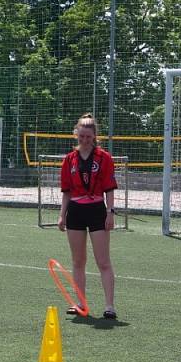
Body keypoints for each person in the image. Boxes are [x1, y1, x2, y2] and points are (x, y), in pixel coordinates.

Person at [57, 114, 118, 319]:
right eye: (81, 136)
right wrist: (62, 216)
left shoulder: (104, 158)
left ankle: (109, 306)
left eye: (88, 137)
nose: (84, 140)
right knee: (78, 261)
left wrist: (110, 213)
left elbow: (109, 189)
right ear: (76, 135)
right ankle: (80, 303)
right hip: (75, 210)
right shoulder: (69, 159)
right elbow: (66, 191)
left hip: (96, 210)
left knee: (103, 261)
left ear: (94, 137)